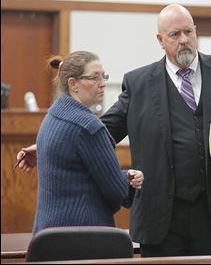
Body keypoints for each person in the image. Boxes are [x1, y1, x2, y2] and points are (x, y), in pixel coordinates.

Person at [17, 5, 211, 256]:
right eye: (174, 35)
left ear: (196, 31)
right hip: (161, 221)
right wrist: (52, 146)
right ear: (160, 40)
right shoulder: (138, 83)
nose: (184, 41)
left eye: (188, 32)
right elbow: (101, 131)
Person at [18, 51, 143, 235]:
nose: (103, 83)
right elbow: (117, 192)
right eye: (94, 78)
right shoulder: (89, 127)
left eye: (103, 76)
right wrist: (129, 178)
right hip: (83, 236)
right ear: (73, 84)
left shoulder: (54, 113)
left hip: (49, 235)